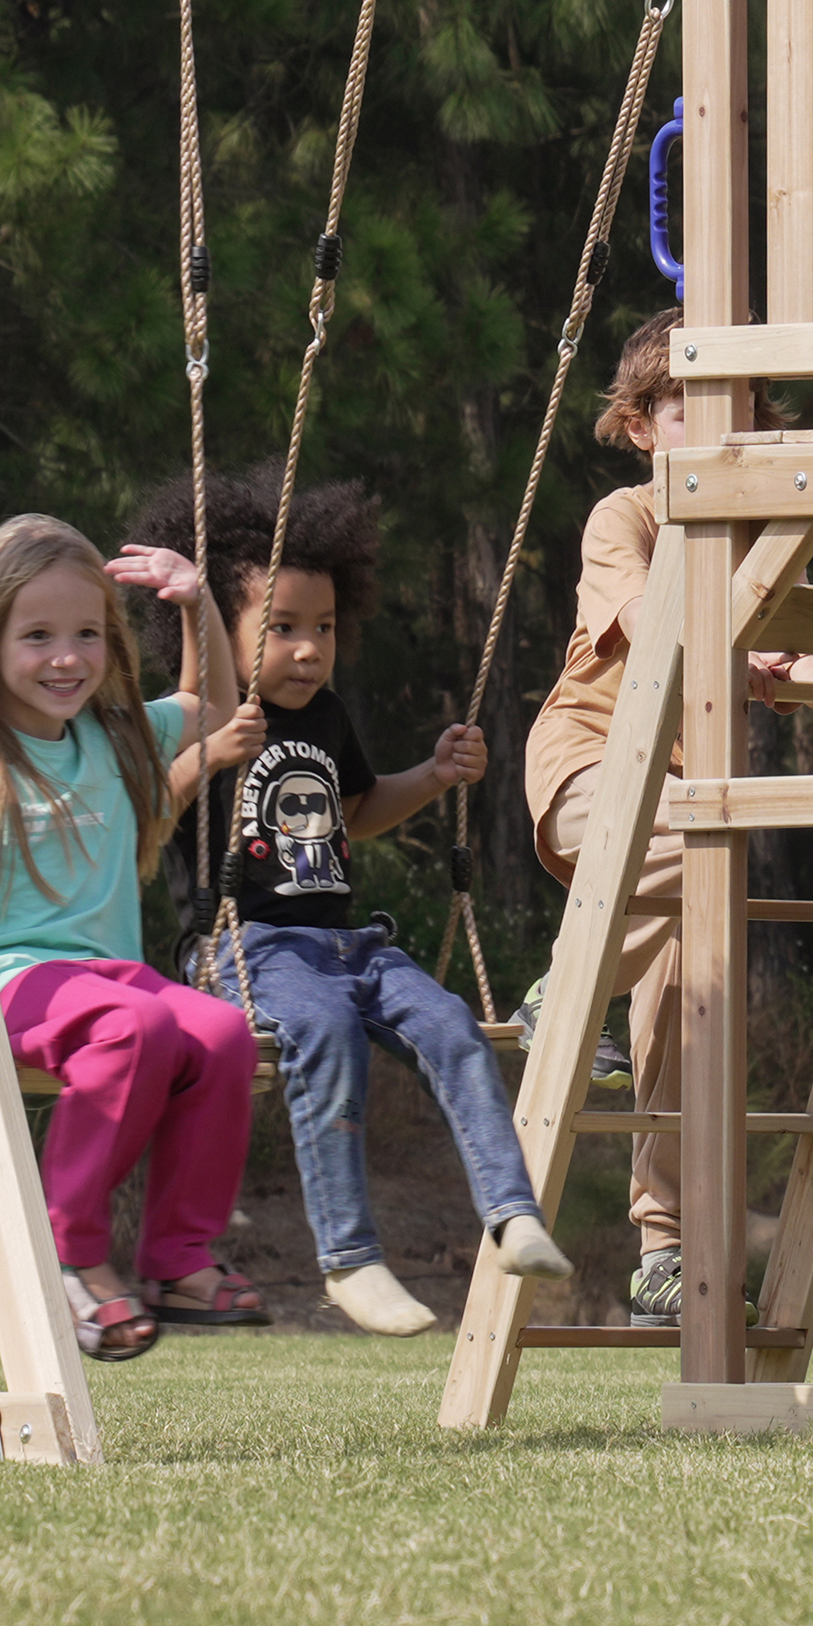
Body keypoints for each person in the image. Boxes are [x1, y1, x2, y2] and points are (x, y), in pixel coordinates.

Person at [518, 310, 813, 1325]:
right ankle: (569, 983)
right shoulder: (628, 518)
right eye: (681, 407)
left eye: (729, 408)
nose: (706, 427)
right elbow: (657, 621)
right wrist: (747, 651)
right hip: (592, 773)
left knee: (688, 999)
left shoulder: (751, 545)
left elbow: (781, 664)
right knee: (693, 851)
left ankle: (667, 1247)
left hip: (688, 810)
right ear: (641, 427)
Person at [134, 467, 578, 1337]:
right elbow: (155, 814)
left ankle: (513, 1213)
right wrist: (214, 753)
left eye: (324, 628)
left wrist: (432, 774)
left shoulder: (327, 717)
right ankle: (349, 1260)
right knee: (330, 1040)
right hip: (247, 947)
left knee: (450, 1023)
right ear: (226, 635)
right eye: (284, 628)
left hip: (346, 944)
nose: (309, 649)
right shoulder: (210, 718)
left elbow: (361, 812)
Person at [0, 512, 269, 1363]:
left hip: (108, 978)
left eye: (85, 634)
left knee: (224, 1033)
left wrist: (197, 611)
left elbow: (214, 705)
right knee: (137, 1026)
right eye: (37, 635)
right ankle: (68, 1252)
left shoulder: (112, 740)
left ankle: (178, 1258)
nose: (66, 656)